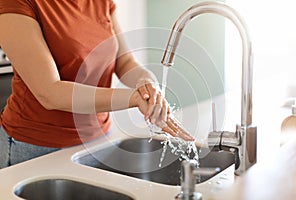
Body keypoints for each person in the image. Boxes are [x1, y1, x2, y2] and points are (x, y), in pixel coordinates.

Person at [0, 0, 194, 169]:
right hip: (35, 146)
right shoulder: (17, 3)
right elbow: (50, 93)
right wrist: (135, 98)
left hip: (98, 139)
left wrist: (147, 84)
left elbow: (124, 62)